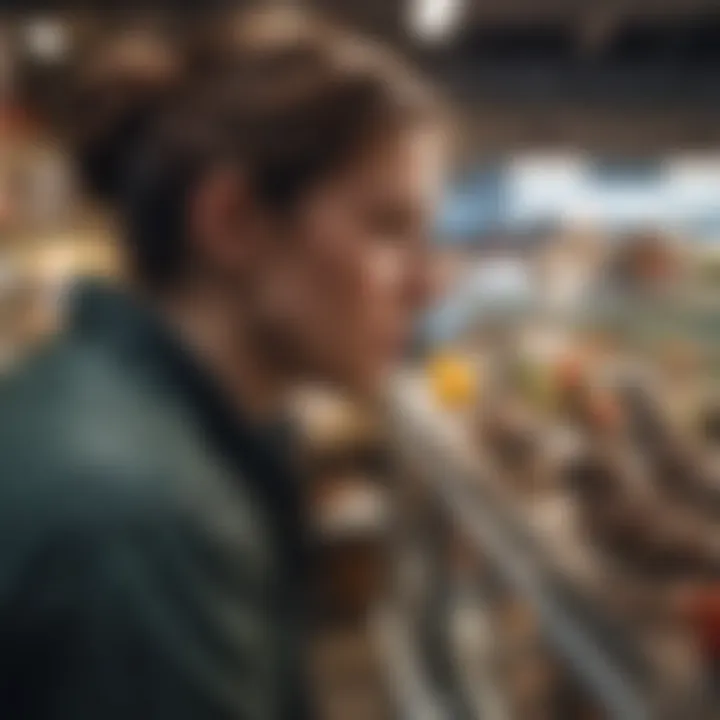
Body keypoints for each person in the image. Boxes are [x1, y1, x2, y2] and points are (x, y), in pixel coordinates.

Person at [0, 10, 444, 720]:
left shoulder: (113, 412)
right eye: (388, 228)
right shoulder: (145, 527)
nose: (429, 285)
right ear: (233, 222)